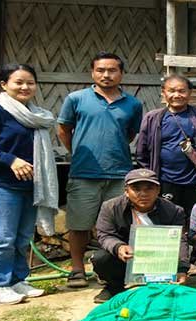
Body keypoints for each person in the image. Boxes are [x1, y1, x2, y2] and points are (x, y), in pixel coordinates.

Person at [57, 52, 143, 289]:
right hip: (84, 172)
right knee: (79, 224)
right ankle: (77, 270)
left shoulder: (133, 104)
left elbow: (130, 135)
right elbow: (64, 129)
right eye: (101, 70)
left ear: (121, 73)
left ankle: (115, 271)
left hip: (119, 173)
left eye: (112, 70)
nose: (106, 75)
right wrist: (77, 152)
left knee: (119, 225)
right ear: (92, 72)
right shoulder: (76, 99)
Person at [0, 64, 54, 305]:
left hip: (30, 187)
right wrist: (10, 160)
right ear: (4, 85)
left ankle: (16, 280)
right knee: (2, 238)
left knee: (23, 237)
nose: (25, 87)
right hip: (2, 185)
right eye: (18, 82)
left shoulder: (35, 115)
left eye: (30, 82)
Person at [91, 169, 189, 303]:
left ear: (158, 190)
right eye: (136, 189)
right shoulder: (110, 207)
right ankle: (115, 287)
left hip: (159, 258)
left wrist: (182, 269)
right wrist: (119, 247)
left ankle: (161, 282)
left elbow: (181, 241)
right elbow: (105, 235)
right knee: (101, 258)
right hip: (127, 258)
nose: (143, 194)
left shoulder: (174, 211)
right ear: (126, 191)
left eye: (149, 188)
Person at [136, 74, 196, 217]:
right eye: (172, 91)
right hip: (165, 180)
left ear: (190, 92)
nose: (177, 95)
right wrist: (150, 176)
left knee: (194, 218)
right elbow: (142, 151)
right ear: (163, 92)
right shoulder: (153, 118)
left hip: (195, 181)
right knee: (166, 218)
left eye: (182, 91)